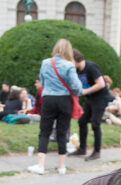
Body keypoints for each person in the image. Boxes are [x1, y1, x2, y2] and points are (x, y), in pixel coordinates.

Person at [27, 38, 82, 175]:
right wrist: (75, 92)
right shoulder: (69, 65)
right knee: (62, 132)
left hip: (49, 99)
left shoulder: (46, 63)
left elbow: (43, 81)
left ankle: (41, 165)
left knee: (44, 131)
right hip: (64, 100)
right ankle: (61, 167)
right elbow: (76, 87)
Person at [68, 49, 111, 161]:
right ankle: (82, 148)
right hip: (90, 98)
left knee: (95, 124)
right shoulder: (78, 71)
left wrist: (85, 91)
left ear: (75, 59)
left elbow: (101, 84)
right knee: (82, 121)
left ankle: (97, 151)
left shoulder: (91, 67)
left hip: (100, 98)